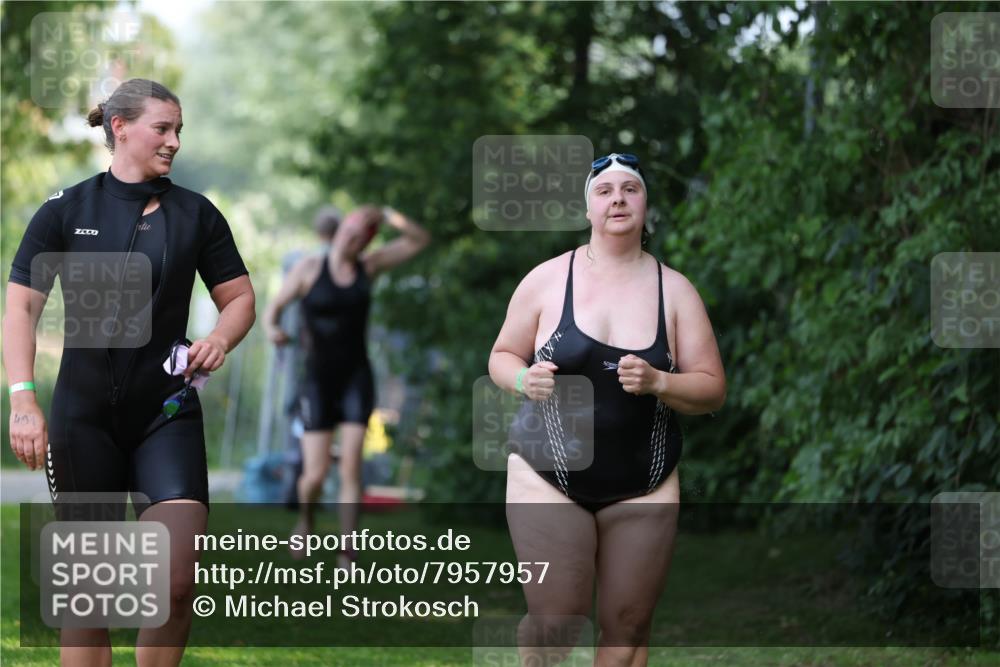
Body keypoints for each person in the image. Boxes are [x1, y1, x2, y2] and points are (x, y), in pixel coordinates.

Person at [3, 78, 255, 667]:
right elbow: (21, 309)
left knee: (176, 580)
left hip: (166, 412)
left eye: (179, 131)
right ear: (120, 127)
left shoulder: (196, 214)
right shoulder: (66, 210)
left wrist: (219, 338)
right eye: (162, 128)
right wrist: (23, 399)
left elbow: (240, 297)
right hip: (83, 418)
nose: (174, 142)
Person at [488, 153, 726, 665]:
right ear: (588, 208)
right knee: (557, 622)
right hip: (547, 472)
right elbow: (502, 355)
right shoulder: (548, 279)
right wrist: (524, 378)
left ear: (645, 205)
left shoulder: (675, 291)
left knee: (629, 629)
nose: (617, 199)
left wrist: (660, 381)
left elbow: (712, 389)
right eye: (605, 190)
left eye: (630, 189)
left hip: (646, 479)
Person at [264, 203, 429, 565]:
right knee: (315, 474)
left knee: (351, 467)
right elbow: (273, 309)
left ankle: (347, 549)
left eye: (358, 237)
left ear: (364, 243)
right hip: (317, 382)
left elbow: (419, 240)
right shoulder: (309, 268)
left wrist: (389, 214)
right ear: (338, 231)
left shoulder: (368, 267)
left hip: (356, 378)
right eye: (347, 232)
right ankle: (305, 521)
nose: (350, 240)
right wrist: (273, 329)